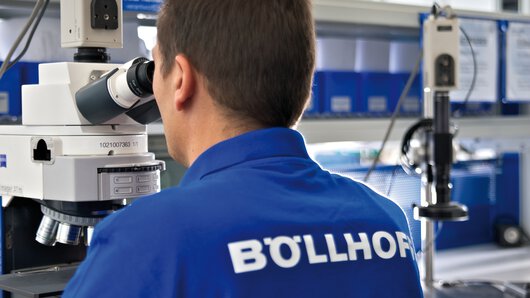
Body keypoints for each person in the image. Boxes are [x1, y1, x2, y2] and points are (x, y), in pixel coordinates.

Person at [63, 0, 423, 297]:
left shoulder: (148, 241)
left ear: (182, 80)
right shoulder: (386, 222)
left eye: (157, 66)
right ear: (307, 82)